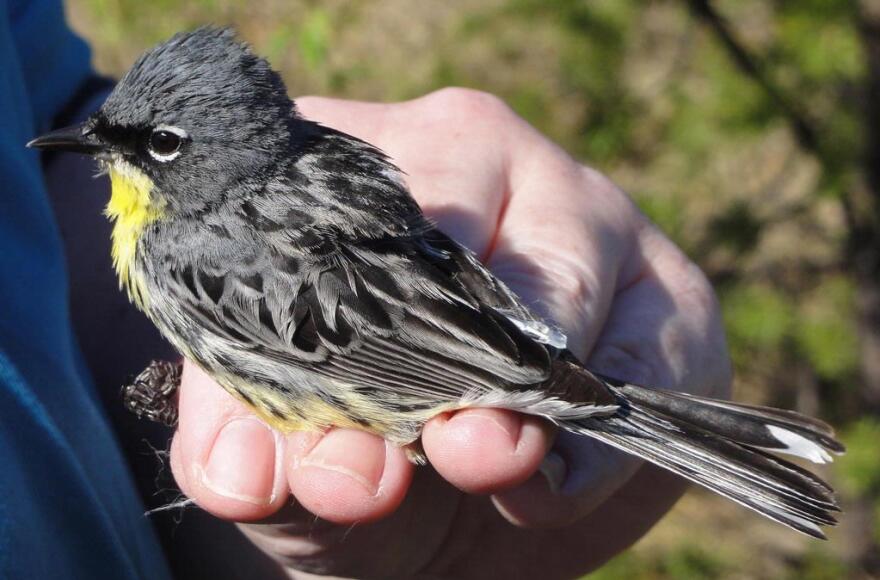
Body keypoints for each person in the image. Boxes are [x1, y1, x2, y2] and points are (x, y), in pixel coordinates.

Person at [6, 2, 732, 578]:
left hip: (428, 374)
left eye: (155, 143)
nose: (101, 144)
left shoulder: (183, 241)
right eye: (108, 133)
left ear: (214, 153)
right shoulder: (223, 206)